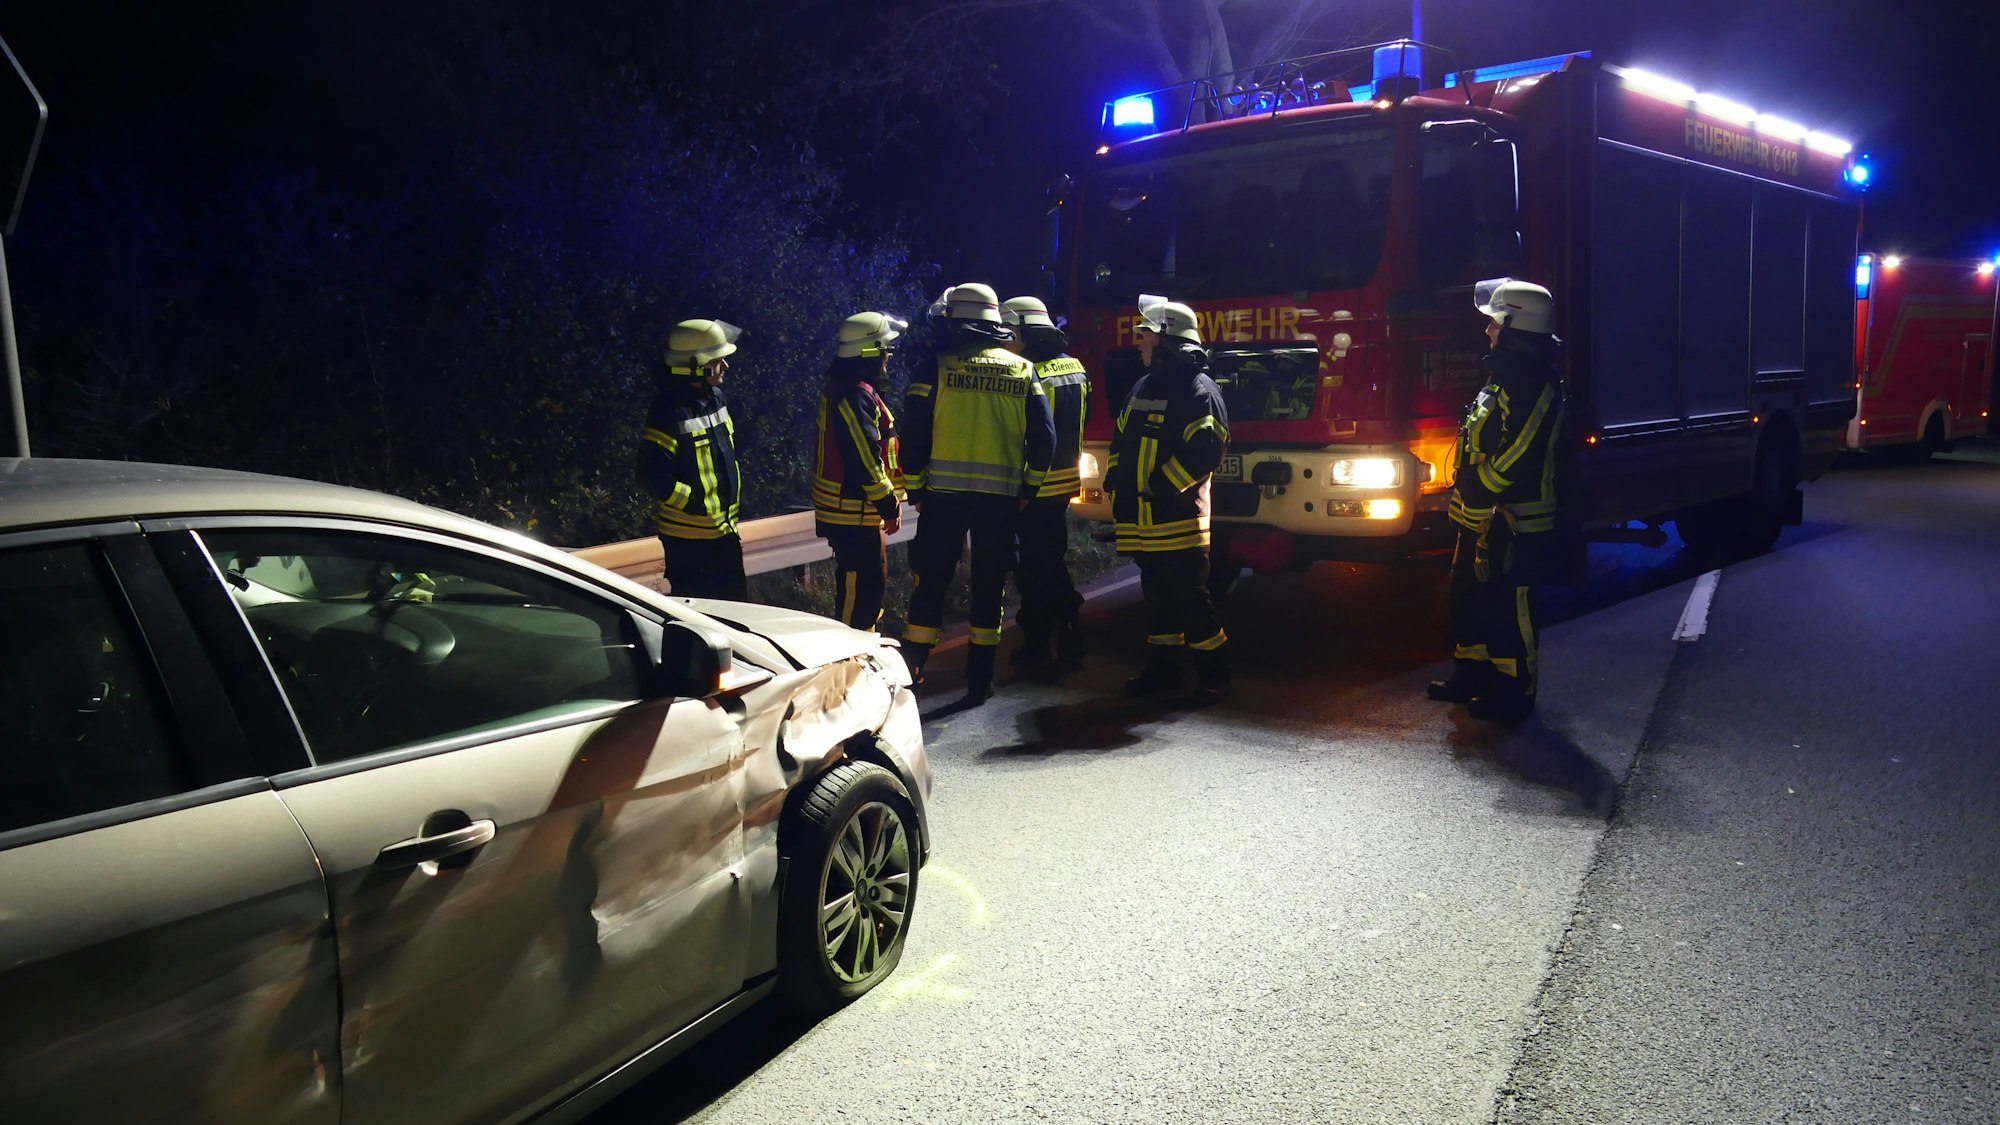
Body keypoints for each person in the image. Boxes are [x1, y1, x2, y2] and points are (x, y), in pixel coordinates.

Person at [900, 282, 1057, 704]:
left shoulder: (936, 368)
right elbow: (1045, 439)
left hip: (943, 498)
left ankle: (911, 671)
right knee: (990, 587)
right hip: (1000, 502)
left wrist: (915, 488)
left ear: (956, 322)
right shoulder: (1022, 369)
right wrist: (1028, 488)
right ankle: (978, 681)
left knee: (931, 581)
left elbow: (912, 433)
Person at [1427, 278, 1564, 724]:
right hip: (1482, 519)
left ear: (1514, 329)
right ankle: (1472, 676)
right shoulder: (1505, 374)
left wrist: (1481, 487)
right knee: (1470, 597)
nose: (1488, 330)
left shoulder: (1534, 381)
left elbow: (1521, 450)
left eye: (1495, 323)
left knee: (1511, 606)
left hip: (1515, 521)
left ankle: (1514, 690)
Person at [1104, 293, 1232, 701]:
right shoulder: (1143, 386)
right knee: (1158, 602)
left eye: (1146, 336)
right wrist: (1115, 476)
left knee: (1191, 601)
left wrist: (1161, 486)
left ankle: (1215, 675)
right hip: (1145, 521)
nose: (1140, 343)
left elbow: (1207, 450)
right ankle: (1164, 673)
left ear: (1168, 342)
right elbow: (1121, 437)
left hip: (1177, 519)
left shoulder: (1200, 391)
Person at [1002, 295, 1090, 674]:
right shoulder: (1075, 367)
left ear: (1025, 332)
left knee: (1033, 571)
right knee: (1051, 561)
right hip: (1064, 483)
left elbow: (1031, 434)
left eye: (1009, 332)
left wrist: (1023, 486)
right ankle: (1069, 634)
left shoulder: (1029, 372)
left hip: (1034, 486)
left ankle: (1038, 648)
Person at [638, 318, 748, 600]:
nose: (725, 366)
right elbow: (651, 475)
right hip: (690, 544)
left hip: (723, 533)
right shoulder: (669, 412)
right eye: (717, 360)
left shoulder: (715, 398)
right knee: (702, 619)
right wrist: (694, 502)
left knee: (736, 613)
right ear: (696, 366)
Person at [812, 311, 908, 631]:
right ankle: (850, 655)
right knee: (860, 592)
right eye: (885, 348)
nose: (889, 355)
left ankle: (861, 650)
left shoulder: (849, 390)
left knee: (867, 589)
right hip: (852, 512)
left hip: (854, 511)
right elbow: (865, 458)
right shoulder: (854, 395)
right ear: (870, 352)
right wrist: (887, 503)